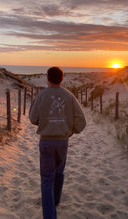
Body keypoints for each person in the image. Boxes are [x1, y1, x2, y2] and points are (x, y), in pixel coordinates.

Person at [29, 66, 86, 219]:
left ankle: (50, 215)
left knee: (47, 178)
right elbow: (81, 119)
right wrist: (72, 130)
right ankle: (56, 202)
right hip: (62, 141)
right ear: (62, 78)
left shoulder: (42, 95)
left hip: (46, 142)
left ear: (48, 78)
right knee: (59, 172)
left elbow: (33, 118)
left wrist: (45, 123)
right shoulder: (69, 95)